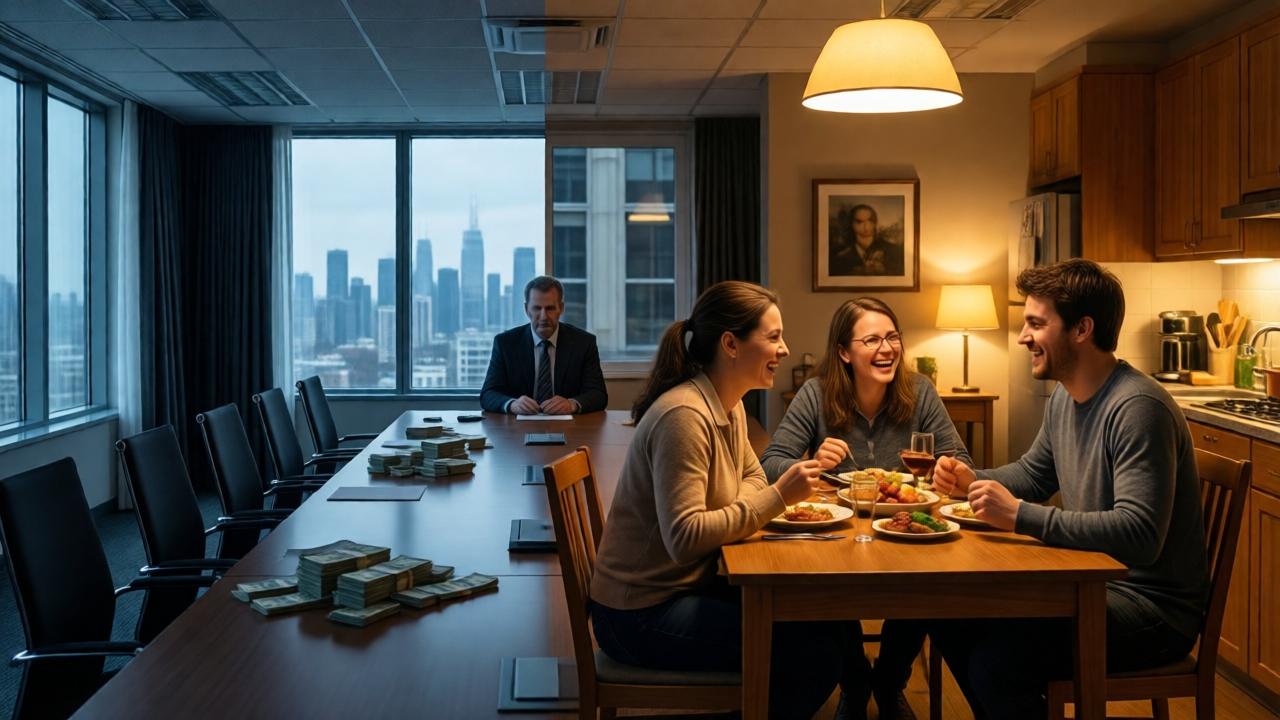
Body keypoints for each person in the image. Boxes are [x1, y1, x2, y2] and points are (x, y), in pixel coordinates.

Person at [931, 259, 1207, 720]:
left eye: (1036, 324)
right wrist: (972, 481)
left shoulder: (1138, 408)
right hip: (1091, 584)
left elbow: (1140, 535)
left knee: (996, 662)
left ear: (1082, 329)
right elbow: (1036, 474)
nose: (1022, 338)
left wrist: (1020, 515)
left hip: (1151, 608)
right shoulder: (1066, 396)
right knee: (949, 617)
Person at [589, 281, 870, 720]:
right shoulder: (684, 415)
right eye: (773, 337)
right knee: (815, 658)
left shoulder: (730, 404)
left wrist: (750, 497)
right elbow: (685, 537)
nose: (784, 348)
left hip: (684, 586)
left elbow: (752, 475)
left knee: (824, 615)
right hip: (638, 613)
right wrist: (777, 497)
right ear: (730, 344)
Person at [760, 296, 972, 720]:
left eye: (892, 337)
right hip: (840, 528)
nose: (887, 348)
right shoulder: (816, 393)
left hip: (906, 523)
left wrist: (949, 469)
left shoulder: (921, 392)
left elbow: (959, 460)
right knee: (821, 582)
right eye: (872, 339)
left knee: (928, 580)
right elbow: (771, 464)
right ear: (843, 351)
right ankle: (854, 680)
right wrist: (811, 463)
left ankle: (890, 680)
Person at [480, 275, 607, 415]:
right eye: (536, 308)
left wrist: (572, 404)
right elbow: (488, 394)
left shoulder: (583, 343)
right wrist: (512, 404)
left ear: (561, 308)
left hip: (570, 428)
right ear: (526, 309)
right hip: (517, 429)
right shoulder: (505, 344)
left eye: (550, 308)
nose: (543, 316)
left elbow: (598, 394)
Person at [830, 204, 904, 277]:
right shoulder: (841, 258)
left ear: (875, 223)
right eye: (859, 222)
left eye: (870, 221)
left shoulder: (894, 251)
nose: (866, 226)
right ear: (851, 224)